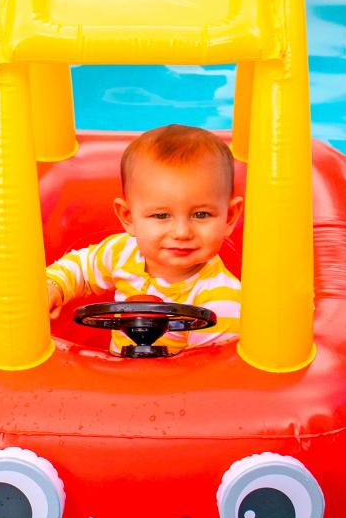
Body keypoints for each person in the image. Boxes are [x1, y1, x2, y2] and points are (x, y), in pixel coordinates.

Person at [45, 124, 243, 354]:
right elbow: (82, 268)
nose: (181, 232)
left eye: (201, 215)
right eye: (161, 215)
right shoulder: (122, 252)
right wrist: (54, 285)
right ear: (128, 217)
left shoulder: (223, 302)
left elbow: (206, 375)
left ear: (229, 217)